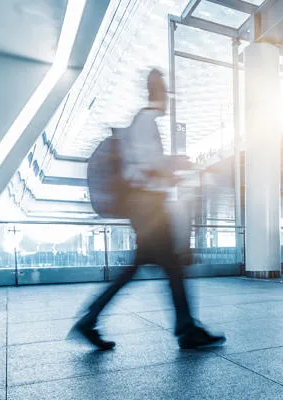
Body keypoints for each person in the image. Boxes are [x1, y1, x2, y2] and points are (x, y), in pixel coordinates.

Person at [71, 69, 224, 350]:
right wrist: (174, 164)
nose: (167, 98)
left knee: (147, 268)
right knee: (172, 267)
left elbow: (145, 167)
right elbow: (147, 166)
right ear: (157, 92)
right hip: (148, 207)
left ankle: (90, 319)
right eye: (165, 92)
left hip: (147, 206)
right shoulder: (145, 121)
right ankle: (186, 328)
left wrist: (169, 170)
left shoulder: (143, 122)